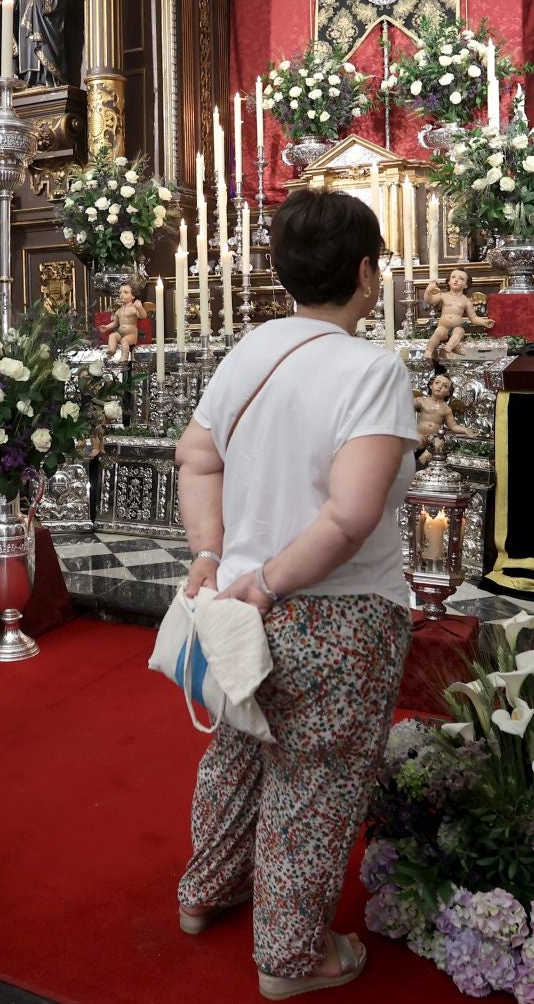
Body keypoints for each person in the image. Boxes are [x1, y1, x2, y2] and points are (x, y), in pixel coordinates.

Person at [173, 187, 419, 998]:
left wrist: (213, 556)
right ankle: (290, 957)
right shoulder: (371, 368)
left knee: (240, 751)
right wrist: (270, 582)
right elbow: (351, 514)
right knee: (314, 781)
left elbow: (195, 454)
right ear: (364, 271)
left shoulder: (250, 350)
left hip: (237, 608)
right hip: (335, 615)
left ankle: (207, 893)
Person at [420, 268, 491, 363]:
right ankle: (429, 351)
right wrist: (428, 291)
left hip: (456, 327)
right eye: (453, 277)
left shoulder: (466, 300)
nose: (456, 279)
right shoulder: (443, 296)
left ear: (466, 285)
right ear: (449, 281)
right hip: (443, 327)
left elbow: (473, 318)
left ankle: (448, 347)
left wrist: (484, 321)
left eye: (461, 278)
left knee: (459, 331)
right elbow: (429, 300)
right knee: (438, 332)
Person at [106, 283, 146, 362]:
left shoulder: (134, 308)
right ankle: (112, 350)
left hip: (131, 335)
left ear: (133, 296)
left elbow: (143, 316)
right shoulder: (119, 310)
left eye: (125, 292)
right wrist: (106, 327)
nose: (122, 295)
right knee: (112, 335)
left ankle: (124, 357)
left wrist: (140, 308)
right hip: (120, 333)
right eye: (120, 292)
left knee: (124, 341)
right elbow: (115, 323)